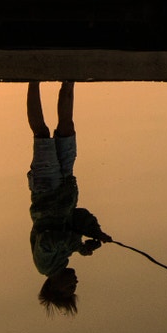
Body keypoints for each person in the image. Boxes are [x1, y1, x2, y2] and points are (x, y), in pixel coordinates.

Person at [26, 81, 109, 315]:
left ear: (54, 287)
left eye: (69, 289)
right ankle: (68, 79)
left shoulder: (44, 265)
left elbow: (48, 239)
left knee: (41, 133)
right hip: (64, 180)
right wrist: (95, 231)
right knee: (66, 128)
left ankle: (33, 81)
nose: (75, 284)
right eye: (74, 288)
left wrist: (77, 245)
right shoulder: (63, 257)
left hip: (47, 188)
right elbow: (76, 216)